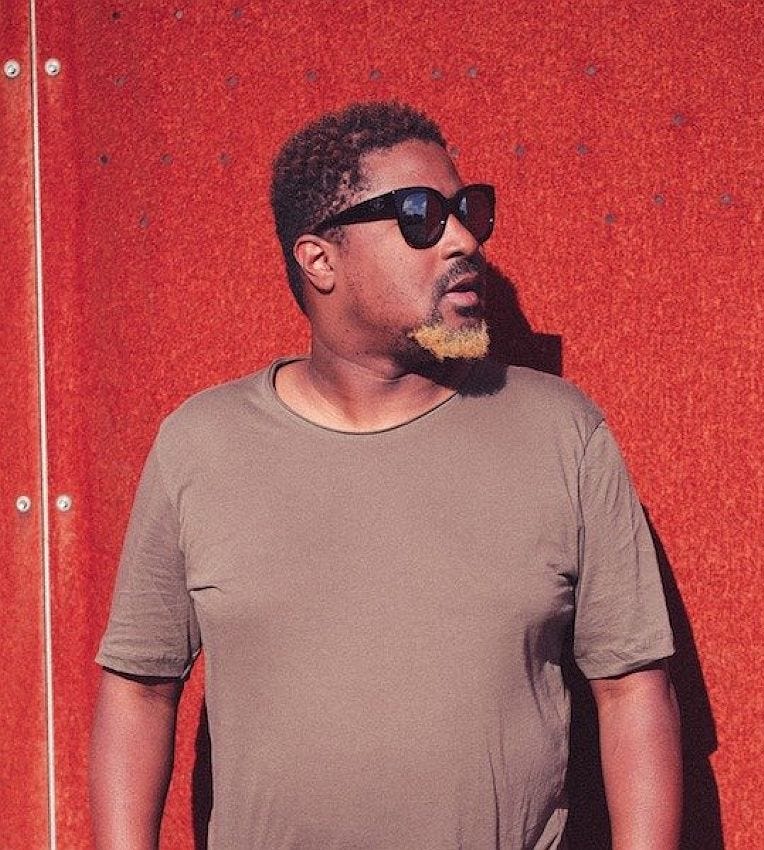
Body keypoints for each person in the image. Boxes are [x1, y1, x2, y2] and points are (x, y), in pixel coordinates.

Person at [90, 101, 682, 850]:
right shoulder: (200, 445)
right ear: (320, 260)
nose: (464, 239)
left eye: (468, 211)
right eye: (420, 216)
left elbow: (632, 687)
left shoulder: (561, 431)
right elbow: (140, 690)